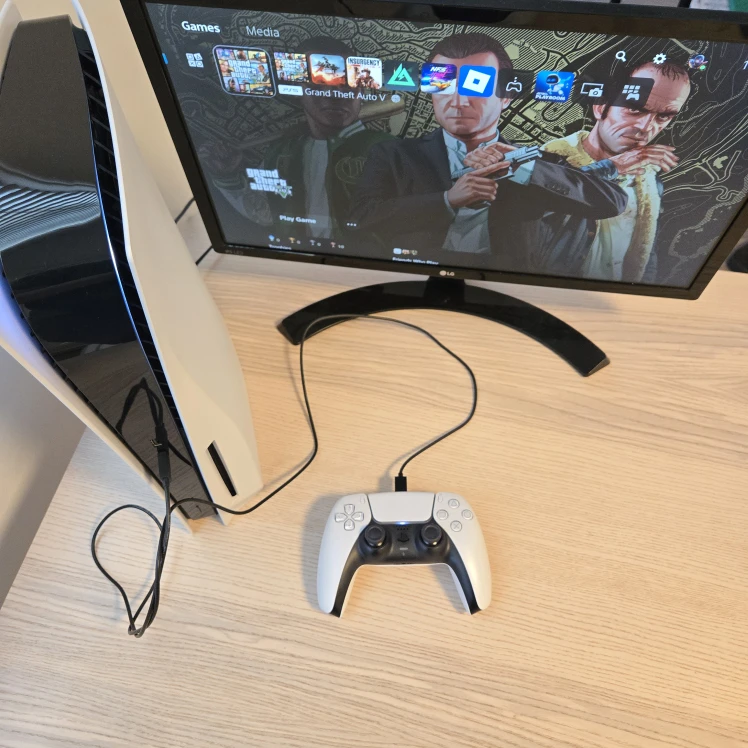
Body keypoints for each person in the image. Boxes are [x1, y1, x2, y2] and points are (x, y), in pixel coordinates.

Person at [349, 32, 627, 268]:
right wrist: (446, 201)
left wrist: (521, 166)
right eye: (442, 83)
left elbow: (612, 201)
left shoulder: (539, 162)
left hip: (507, 285)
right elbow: (358, 219)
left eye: (476, 84)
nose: (457, 101)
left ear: (506, 96)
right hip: (412, 274)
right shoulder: (393, 154)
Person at [203, 37, 394, 243]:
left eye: (347, 82)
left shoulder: (387, 149)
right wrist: (228, 178)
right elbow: (267, 213)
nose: (335, 95)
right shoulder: (281, 152)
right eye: (319, 83)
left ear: (361, 90)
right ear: (296, 89)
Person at [541, 60, 690, 282]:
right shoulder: (547, 160)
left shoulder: (650, 181)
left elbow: (647, 251)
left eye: (664, 116)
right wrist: (612, 167)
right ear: (601, 106)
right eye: (635, 109)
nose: (646, 128)